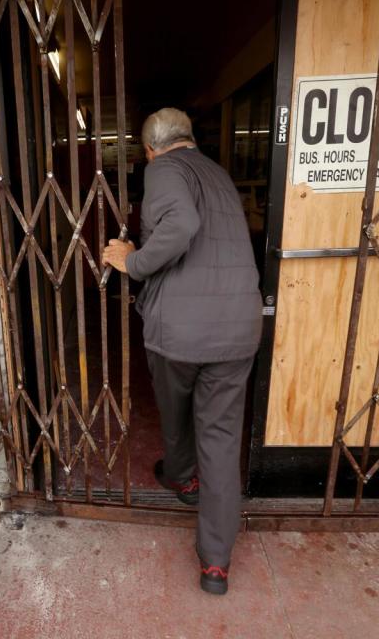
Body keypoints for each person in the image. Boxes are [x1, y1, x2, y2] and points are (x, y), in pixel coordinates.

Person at [102, 107, 262, 595]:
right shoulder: (217, 173)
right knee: (220, 435)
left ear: (149, 149)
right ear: (190, 138)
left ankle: (182, 479)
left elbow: (182, 222)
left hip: (181, 332)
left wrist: (135, 263)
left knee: (175, 412)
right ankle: (215, 564)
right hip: (237, 329)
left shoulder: (163, 170)